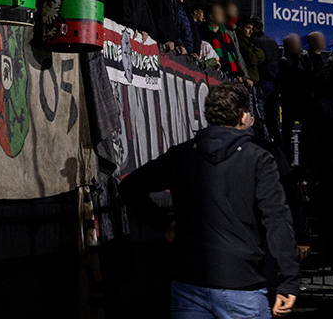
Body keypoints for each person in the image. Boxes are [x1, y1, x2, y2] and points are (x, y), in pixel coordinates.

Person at [120, 83, 300, 318]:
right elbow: (277, 219)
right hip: (241, 283)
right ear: (243, 117)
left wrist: (163, 225)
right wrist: (289, 280)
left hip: (189, 283)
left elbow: (130, 186)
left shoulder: (182, 155)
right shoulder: (259, 160)